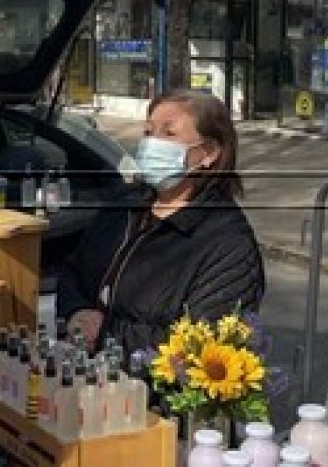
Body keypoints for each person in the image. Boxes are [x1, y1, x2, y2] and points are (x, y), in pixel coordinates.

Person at [56, 90, 265, 358]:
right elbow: (73, 270)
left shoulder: (228, 244)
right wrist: (76, 311)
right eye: (148, 132)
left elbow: (200, 346)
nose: (152, 144)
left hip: (144, 381)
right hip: (82, 368)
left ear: (208, 153)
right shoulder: (125, 207)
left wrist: (105, 332)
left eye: (169, 133)